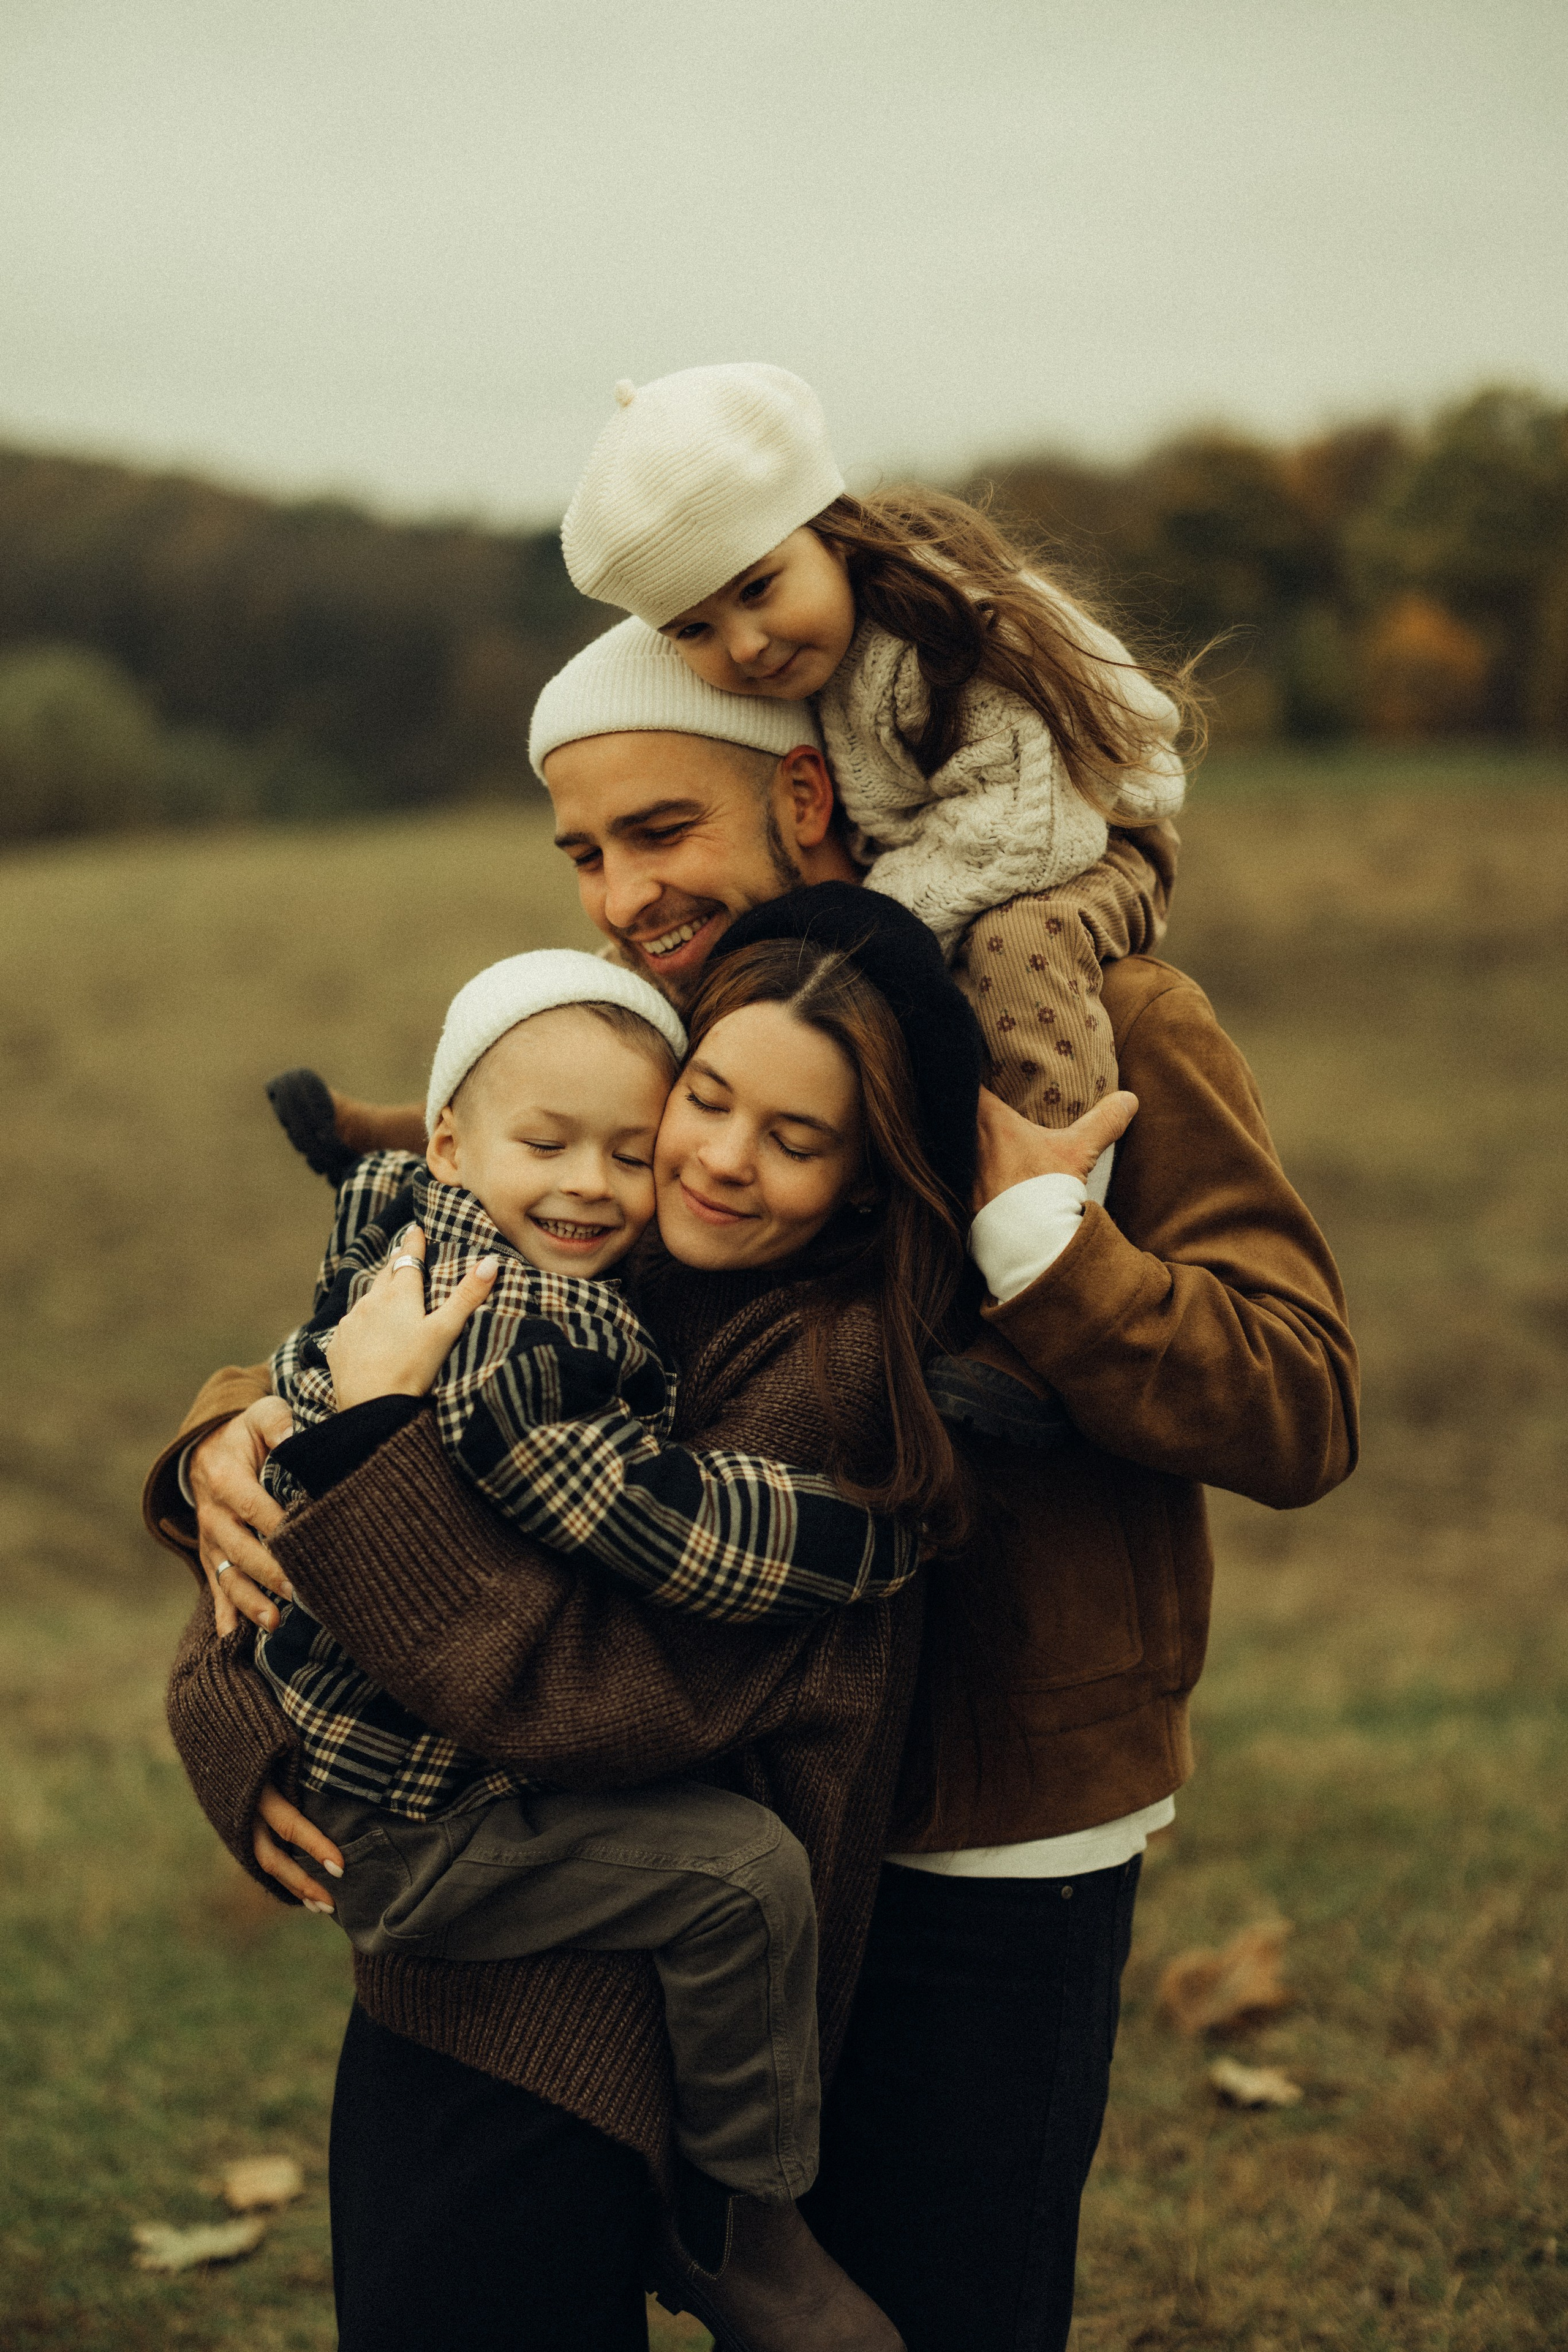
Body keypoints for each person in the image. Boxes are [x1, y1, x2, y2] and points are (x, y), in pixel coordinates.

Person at [150, 627, 1357, 2351]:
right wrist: (224, 1443)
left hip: (977, 1809)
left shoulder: (1106, 1029)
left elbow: (1302, 1405)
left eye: (660, 832)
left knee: (926, 2301)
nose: (621, 895)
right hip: (678, 1806)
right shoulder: (663, 1046)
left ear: (804, 794)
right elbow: (440, 1288)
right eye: (584, 852)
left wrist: (1045, 1241)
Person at [255, 941, 948, 2332]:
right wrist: (879, 1537)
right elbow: (639, 1512)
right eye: (551, 1144)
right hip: (433, 1822)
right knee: (745, 1877)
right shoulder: (513, 1309)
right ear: (448, 1146)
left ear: (867, 1180)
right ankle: (745, 2219)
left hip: (415, 1809)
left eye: (628, 1152)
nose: (597, 1182)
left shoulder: (430, 1243)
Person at [561, 360, 1192, 1124]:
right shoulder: (804, 660)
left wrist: (867, 932)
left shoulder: (938, 633)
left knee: (1019, 944)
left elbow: (1025, 831)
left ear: (833, 535)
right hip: (938, 853)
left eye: (757, 589)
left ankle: (1053, 1159)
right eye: (695, 630)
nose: (746, 645)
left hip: (1089, 834)